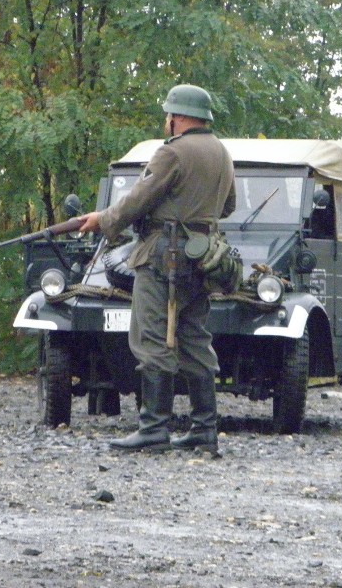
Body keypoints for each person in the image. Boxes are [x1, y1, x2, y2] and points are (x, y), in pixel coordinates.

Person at [77, 83, 236, 452]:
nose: (166, 121)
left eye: (168, 114)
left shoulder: (172, 153)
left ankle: (153, 429)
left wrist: (103, 219)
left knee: (151, 338)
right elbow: (227, 207)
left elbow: (137, 201)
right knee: (195, 338)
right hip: (205, 256)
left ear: (177, 116)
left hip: (163, 255)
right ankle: (204, 429)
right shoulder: (222, 153)